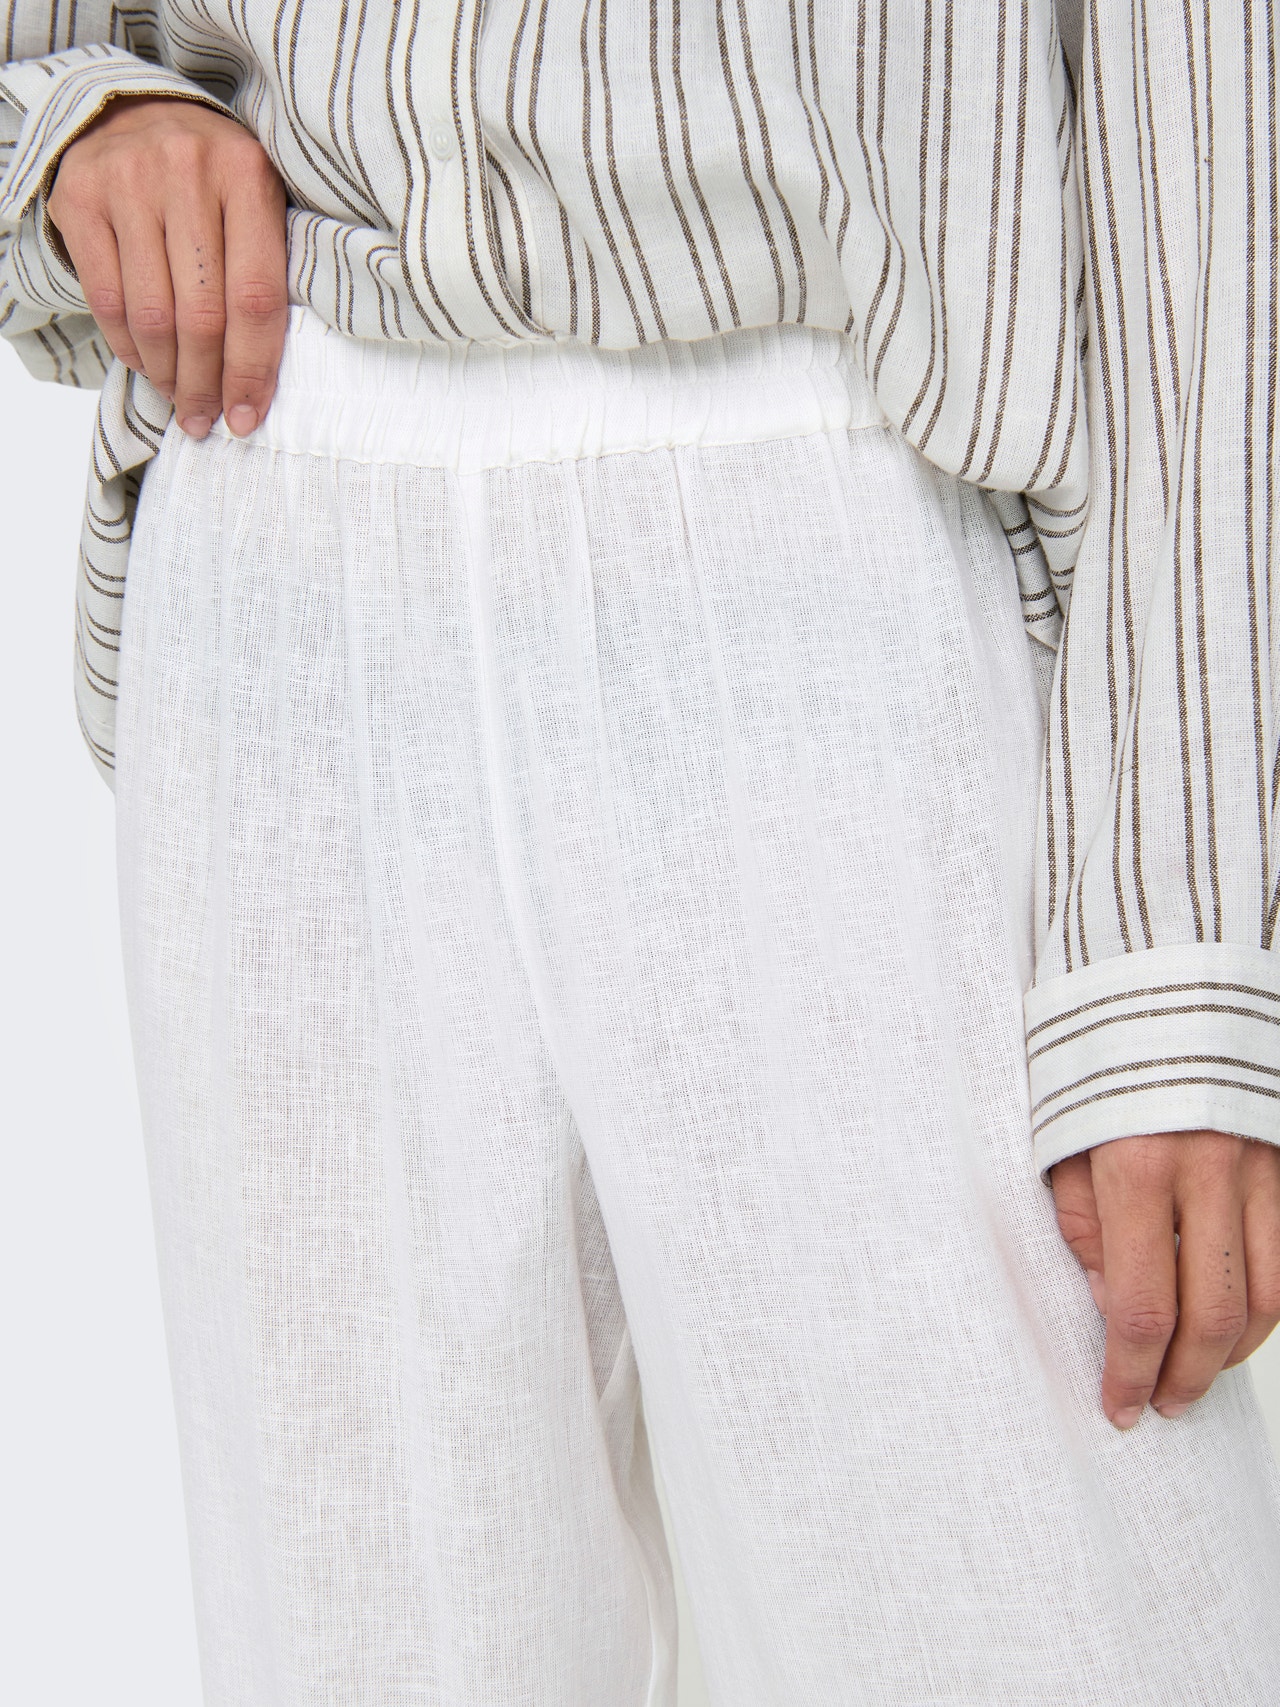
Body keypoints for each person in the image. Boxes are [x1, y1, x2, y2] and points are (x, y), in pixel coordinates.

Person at [3, 2, 1280, 1700]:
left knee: (1052, 1623)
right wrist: (74, 120)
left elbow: (1208, 144)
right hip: (281, 510)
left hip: (845, 543)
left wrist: (1180, 940)